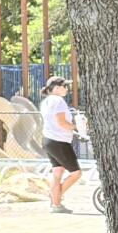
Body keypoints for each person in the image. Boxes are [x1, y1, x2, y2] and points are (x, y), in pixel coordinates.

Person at [39, 76, 84, 212]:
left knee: (57, 172)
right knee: (76, 173)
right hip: (59, 141)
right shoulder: (58, 101)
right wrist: (78, 127)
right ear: (57, 88)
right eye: (65, 86)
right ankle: (55, 197)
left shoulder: (46, 101)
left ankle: (56, 205)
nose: (67, 89)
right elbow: (62, 123)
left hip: (48, 140)